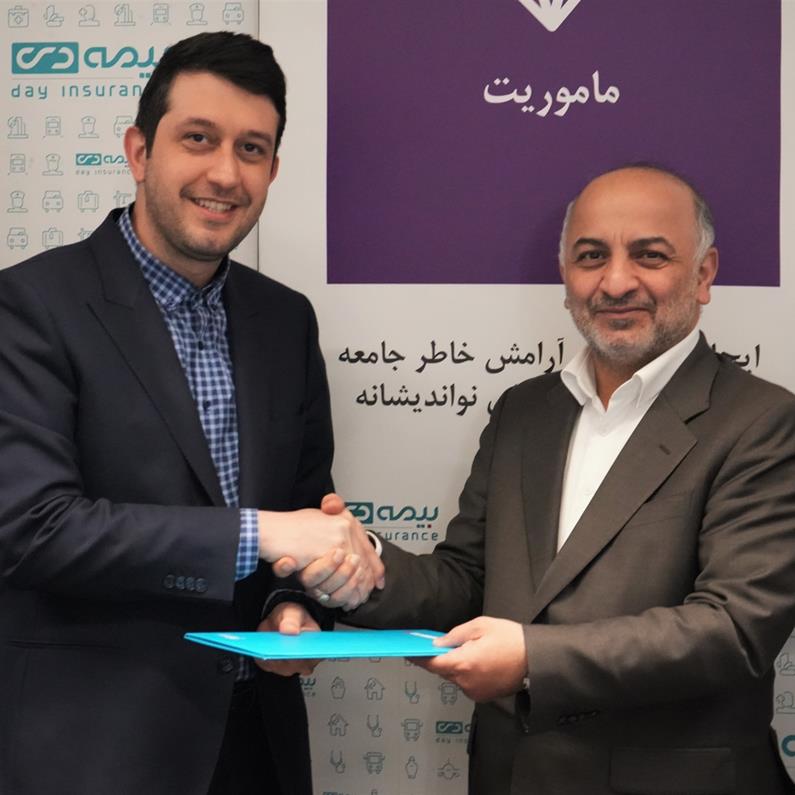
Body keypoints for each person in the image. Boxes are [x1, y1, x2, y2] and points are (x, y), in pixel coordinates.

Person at [294, 165, 795, 794]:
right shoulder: (524, 411)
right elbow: (467, 581)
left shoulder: (763, 421)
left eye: (649, 255)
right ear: (565, 275)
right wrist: (362, 566)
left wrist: (533, 659)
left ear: (703, 274)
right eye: (591, 256)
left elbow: (734, 629)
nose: (616, 281)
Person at [0, 32, 381, 795]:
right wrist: (262, 532)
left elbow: (305, 505)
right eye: (198, 139)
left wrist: (294, 603)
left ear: (272, 170)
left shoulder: (285, 320)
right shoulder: (31, 305)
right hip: (94, 755)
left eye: (251, 149)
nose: (225, 173)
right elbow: (31, 528)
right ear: (140, 151)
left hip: (258, 745)